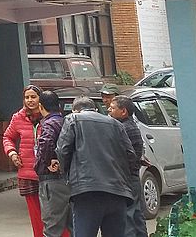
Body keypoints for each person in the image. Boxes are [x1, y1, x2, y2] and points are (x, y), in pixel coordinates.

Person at [56, 97, 136, 237]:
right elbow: (130, 155)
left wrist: (66, 175)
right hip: (117, 192)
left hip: (87, 192)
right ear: (95, 109)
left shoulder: (73, 119)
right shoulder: (116, 124)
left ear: (75, 110)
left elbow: (63, 151)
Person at [3, 85, 45, 237]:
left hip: (48, 173)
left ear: (40, 98)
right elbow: (7, 137)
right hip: (27, 172)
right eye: (27, 97)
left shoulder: (49, 117)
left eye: (33, 97)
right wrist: (12, 153)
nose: (30, 100)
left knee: (55, 213)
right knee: (35, 214)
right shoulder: (18, 117)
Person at [33, 90, 72, 237]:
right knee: (73, 225)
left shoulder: (49, 123)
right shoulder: (66, 122)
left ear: (41, 106)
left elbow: (46, 142)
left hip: (52, 180)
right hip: (69, 178)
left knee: (52, 227)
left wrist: (49, 161)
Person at [109, 95, 147, 237]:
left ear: (123, 111)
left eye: (112, 108)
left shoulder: (123, 128)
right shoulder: (131, 126)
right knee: (137, 215)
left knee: (127, 217)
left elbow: (124, 154)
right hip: (133, 176)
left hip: (126, 177)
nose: (109, 110)